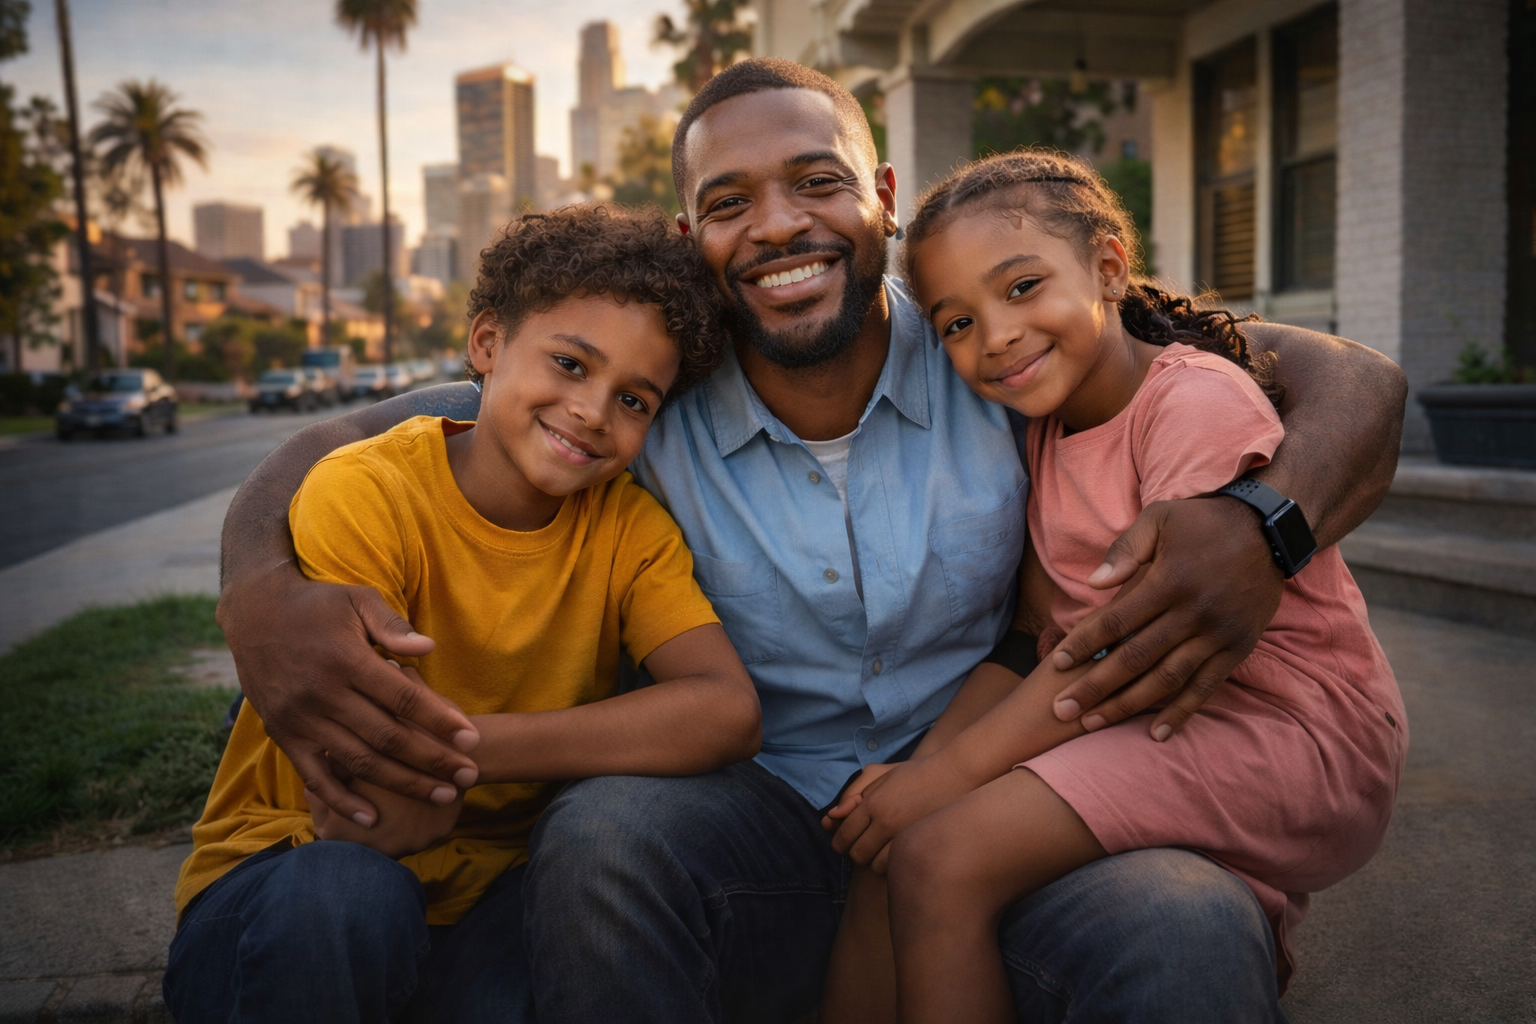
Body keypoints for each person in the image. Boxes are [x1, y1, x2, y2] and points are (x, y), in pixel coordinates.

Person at [213, 59, 1407, 1022]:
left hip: (997, 789)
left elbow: (1342, 374)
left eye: (816, 181)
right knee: (607, 830)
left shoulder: (993, 343)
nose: (778, 226)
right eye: (729, 203)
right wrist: (257, 591)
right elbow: (370, 430)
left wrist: (1265, 525)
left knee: (1184, 922)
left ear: (881, 193)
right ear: (691, 236)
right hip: (760, 826)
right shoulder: (639, 396)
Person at [817, 150, 1408, 1023]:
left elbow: (1124, 649)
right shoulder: (1044, 433)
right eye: (956, 323)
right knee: (888, 847)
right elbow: (1033, 641)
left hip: (1290, 731)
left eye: (1021, 288)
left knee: (941, 856)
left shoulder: (1192, 404)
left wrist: (944, 785)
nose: (998, 335)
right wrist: (920, 768)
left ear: (1108, 268)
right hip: (1155, 717)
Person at [162, 206, 759, 1023]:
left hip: (488, 896)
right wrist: (509, 757)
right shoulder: (367, 489)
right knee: (349, 899)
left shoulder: (630, 529)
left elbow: (724, 708)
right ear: (485, 344)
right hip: (289, 871)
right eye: (568, 363)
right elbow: (369, 804)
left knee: (556, 945)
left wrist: (473, 749)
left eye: (634, 399)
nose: (592, 411)